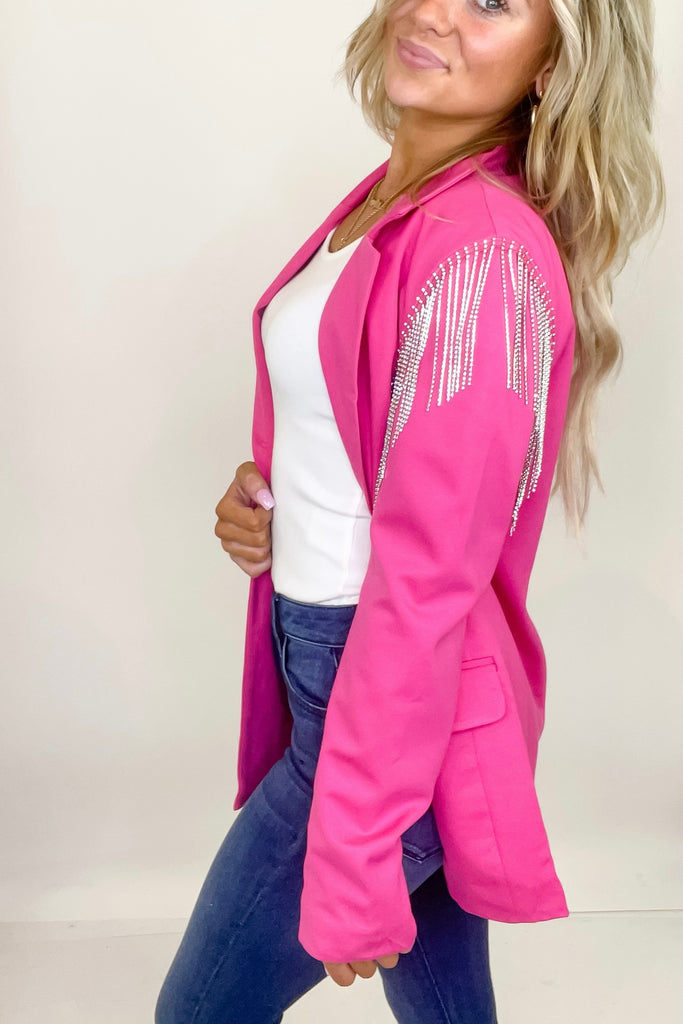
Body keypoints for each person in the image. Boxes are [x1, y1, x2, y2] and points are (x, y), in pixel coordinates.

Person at [155, 1, 663, 1021]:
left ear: (552, 65)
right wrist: (272, 498)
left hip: (378, 701)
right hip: (344, 665)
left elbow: (426, 581)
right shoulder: (393, 202)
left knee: (198, 1012)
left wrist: (354, 853)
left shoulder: (479, 252)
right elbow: (363, 432)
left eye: (493, 0)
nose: (433, 10)